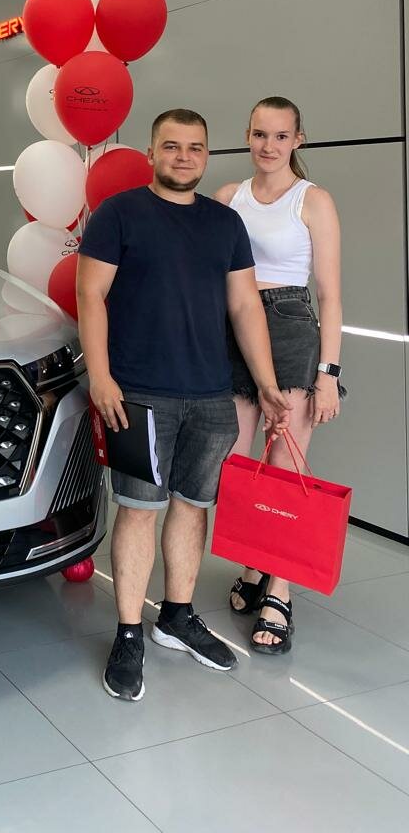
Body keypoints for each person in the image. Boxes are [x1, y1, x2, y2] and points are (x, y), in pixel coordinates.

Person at [77, 108, 288, 702]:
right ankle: (127, 634)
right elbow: (90, 293)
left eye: (195, 147)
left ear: (206, 155)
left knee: (193, 508)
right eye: (171, 146)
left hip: (211, 395)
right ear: (151, 152)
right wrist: (101, 377)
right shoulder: (119, 214)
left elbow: (244, 306)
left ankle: (176, 616)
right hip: (139, 394)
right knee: (138, 510)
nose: (184, 156)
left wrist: (266, 383)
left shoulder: (225, 224)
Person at [216, 96, 343, 655]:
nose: (269, 146)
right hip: (234, 329)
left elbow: (330, 296)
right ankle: (253, 563)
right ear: (248, 136)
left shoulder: (312, 200)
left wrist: (328, 373)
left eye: (281, 136)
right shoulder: (228, 197)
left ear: (298, 140)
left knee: (283, 470)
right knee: (237, 467)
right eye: (260, 134)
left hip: (291, 329)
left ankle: (280, 589)